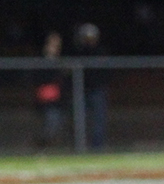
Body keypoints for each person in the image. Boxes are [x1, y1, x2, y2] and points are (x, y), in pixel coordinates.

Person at [72, 21, 110, 149]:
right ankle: (80, 146)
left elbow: (105, 72)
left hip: (97, 90)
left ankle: (97, 147)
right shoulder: (80, 51)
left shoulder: (101, 51)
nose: (89, 40)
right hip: (82, 89)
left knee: (99, 120)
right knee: (80, 119)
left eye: (91, 37)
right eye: (86, 37)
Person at [35, 30, 67, 147]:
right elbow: (41, 78)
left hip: (58, 98)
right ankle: (42, 145)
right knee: (51, 122)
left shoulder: (60, 60)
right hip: (47, 97)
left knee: (58, 122)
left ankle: (48, 146)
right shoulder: (43, 60)